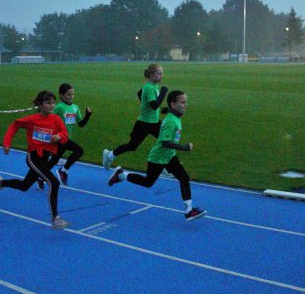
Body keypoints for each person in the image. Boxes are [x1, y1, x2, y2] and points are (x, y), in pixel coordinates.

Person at [108, 90, 207, 221]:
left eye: (186, 102)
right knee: (148, 182)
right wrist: (184, 147)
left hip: (169, 156)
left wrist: (168, 110)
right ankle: (121, 175)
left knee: (184, 178)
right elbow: (165, 142)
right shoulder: (171, 121)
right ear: (173, 104)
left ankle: (189, 210)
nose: (185, 105)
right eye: (182, 102)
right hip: (158, 157)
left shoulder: (175, 116)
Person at [0, 91, 70, 229]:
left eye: (53, 102)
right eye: (48, 103)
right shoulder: (32, 119)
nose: (51, 105)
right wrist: (7, 142)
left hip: (45, 158)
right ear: (40, 104)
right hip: (33, 157)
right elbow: (15, 125)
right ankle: (55, 218)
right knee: (54, 182)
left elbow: (64, 133)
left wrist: (59, 137)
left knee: (24, 186)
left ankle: (1, 183)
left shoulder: (56, 119)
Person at [102, 63, 168, 170]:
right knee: (132, 146)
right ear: (151, 75)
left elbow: (140, 94)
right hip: (144, 124)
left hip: (154, 122)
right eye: (159, 73)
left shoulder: (152, 86)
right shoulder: (150, 87)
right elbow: (154, 105)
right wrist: (163, 92)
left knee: (166, 141)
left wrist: (158, 108)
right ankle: (109, 155)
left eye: (162, 73)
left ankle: (164, 166)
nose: (162, 76)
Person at [47, 83, 92, 186]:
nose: (71, 97)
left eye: (72, 94)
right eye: (68, 94)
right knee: (79, 151)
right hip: (59, 138)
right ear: (61, 95)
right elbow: (48, 119)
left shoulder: (75, 107)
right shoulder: (59, 107)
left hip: (66, 137)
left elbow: (81, 124)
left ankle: (40, 176)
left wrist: (88, 115)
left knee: (54, 160)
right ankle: (63, 171)